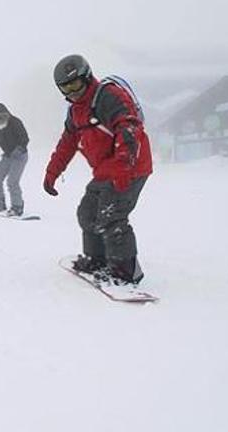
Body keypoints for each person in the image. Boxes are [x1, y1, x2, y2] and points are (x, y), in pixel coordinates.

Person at [43, 54, 152, 284]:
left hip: (131, 165)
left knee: (111, 216)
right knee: (88, 213)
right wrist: (52, 173)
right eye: (66, 88)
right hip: (104, 170)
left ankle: (125, 272)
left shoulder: (108, 96)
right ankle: (97, 260)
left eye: (75, 84)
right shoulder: (75, 111)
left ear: (87, 77)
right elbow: (67, 142)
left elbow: (129, 126)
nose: (72, 92)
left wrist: (123, 166)